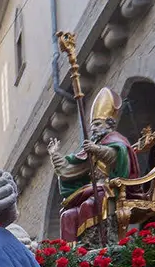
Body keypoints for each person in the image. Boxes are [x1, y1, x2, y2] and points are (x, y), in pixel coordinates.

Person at [48, 87, 139, 243]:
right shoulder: (93, 146)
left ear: (109, 124)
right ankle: (72, 252)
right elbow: (72, 168)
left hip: (110, 189)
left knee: (89, 204)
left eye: (97, 124)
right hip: (92, 189)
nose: (94, 129)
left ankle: (92, 243)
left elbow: (116, 156)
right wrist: (55, 155)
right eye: (92, 126)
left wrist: (96, 149)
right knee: (67, 215)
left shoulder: (116, 141)